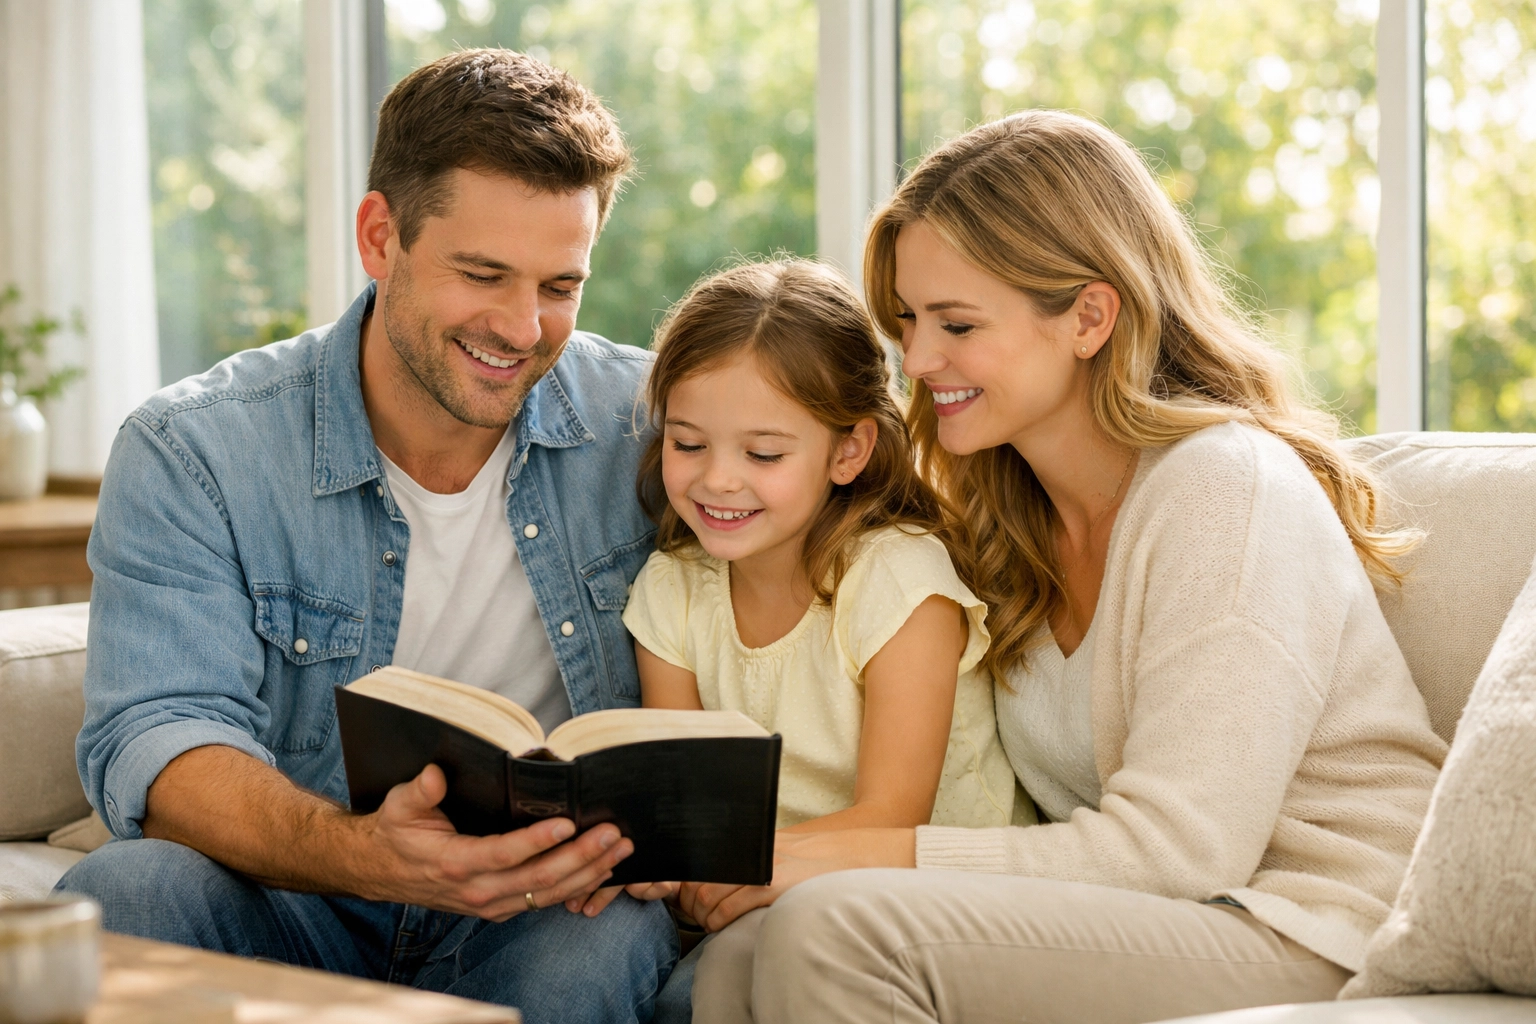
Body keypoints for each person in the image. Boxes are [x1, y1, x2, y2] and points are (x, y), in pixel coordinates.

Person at [688, 110, 1449, 1023]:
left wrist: (838, 855)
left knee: (833, 926)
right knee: (737, 955)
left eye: (956, 323)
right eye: (908, 320)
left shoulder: (1223, 489)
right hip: (1168, 919)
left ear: (1090, 316)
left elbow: (1178, 851)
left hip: (1318, 929)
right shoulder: (1007, 517)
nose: (917, 359)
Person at [56, 49, 677, 1022]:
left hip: (535, 907)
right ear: (380, 237)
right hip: (295, 895)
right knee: (127, 892)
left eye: (562, 284)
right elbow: (159, 731)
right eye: (483, 273)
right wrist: (366, 853)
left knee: (613, 938)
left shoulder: (648, 423)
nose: (524, 327)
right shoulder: (194, 448)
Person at [580, 260, 1019, 1019]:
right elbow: (688, 808)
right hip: (764, 899)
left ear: (848, 452)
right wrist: (655, 859)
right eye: (689, 444)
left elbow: (894, 815)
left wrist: (727, 874)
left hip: (936, 899)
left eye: (763, 454)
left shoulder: (897, 580)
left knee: (705, 993)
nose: (718, 480)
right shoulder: (673, 589)